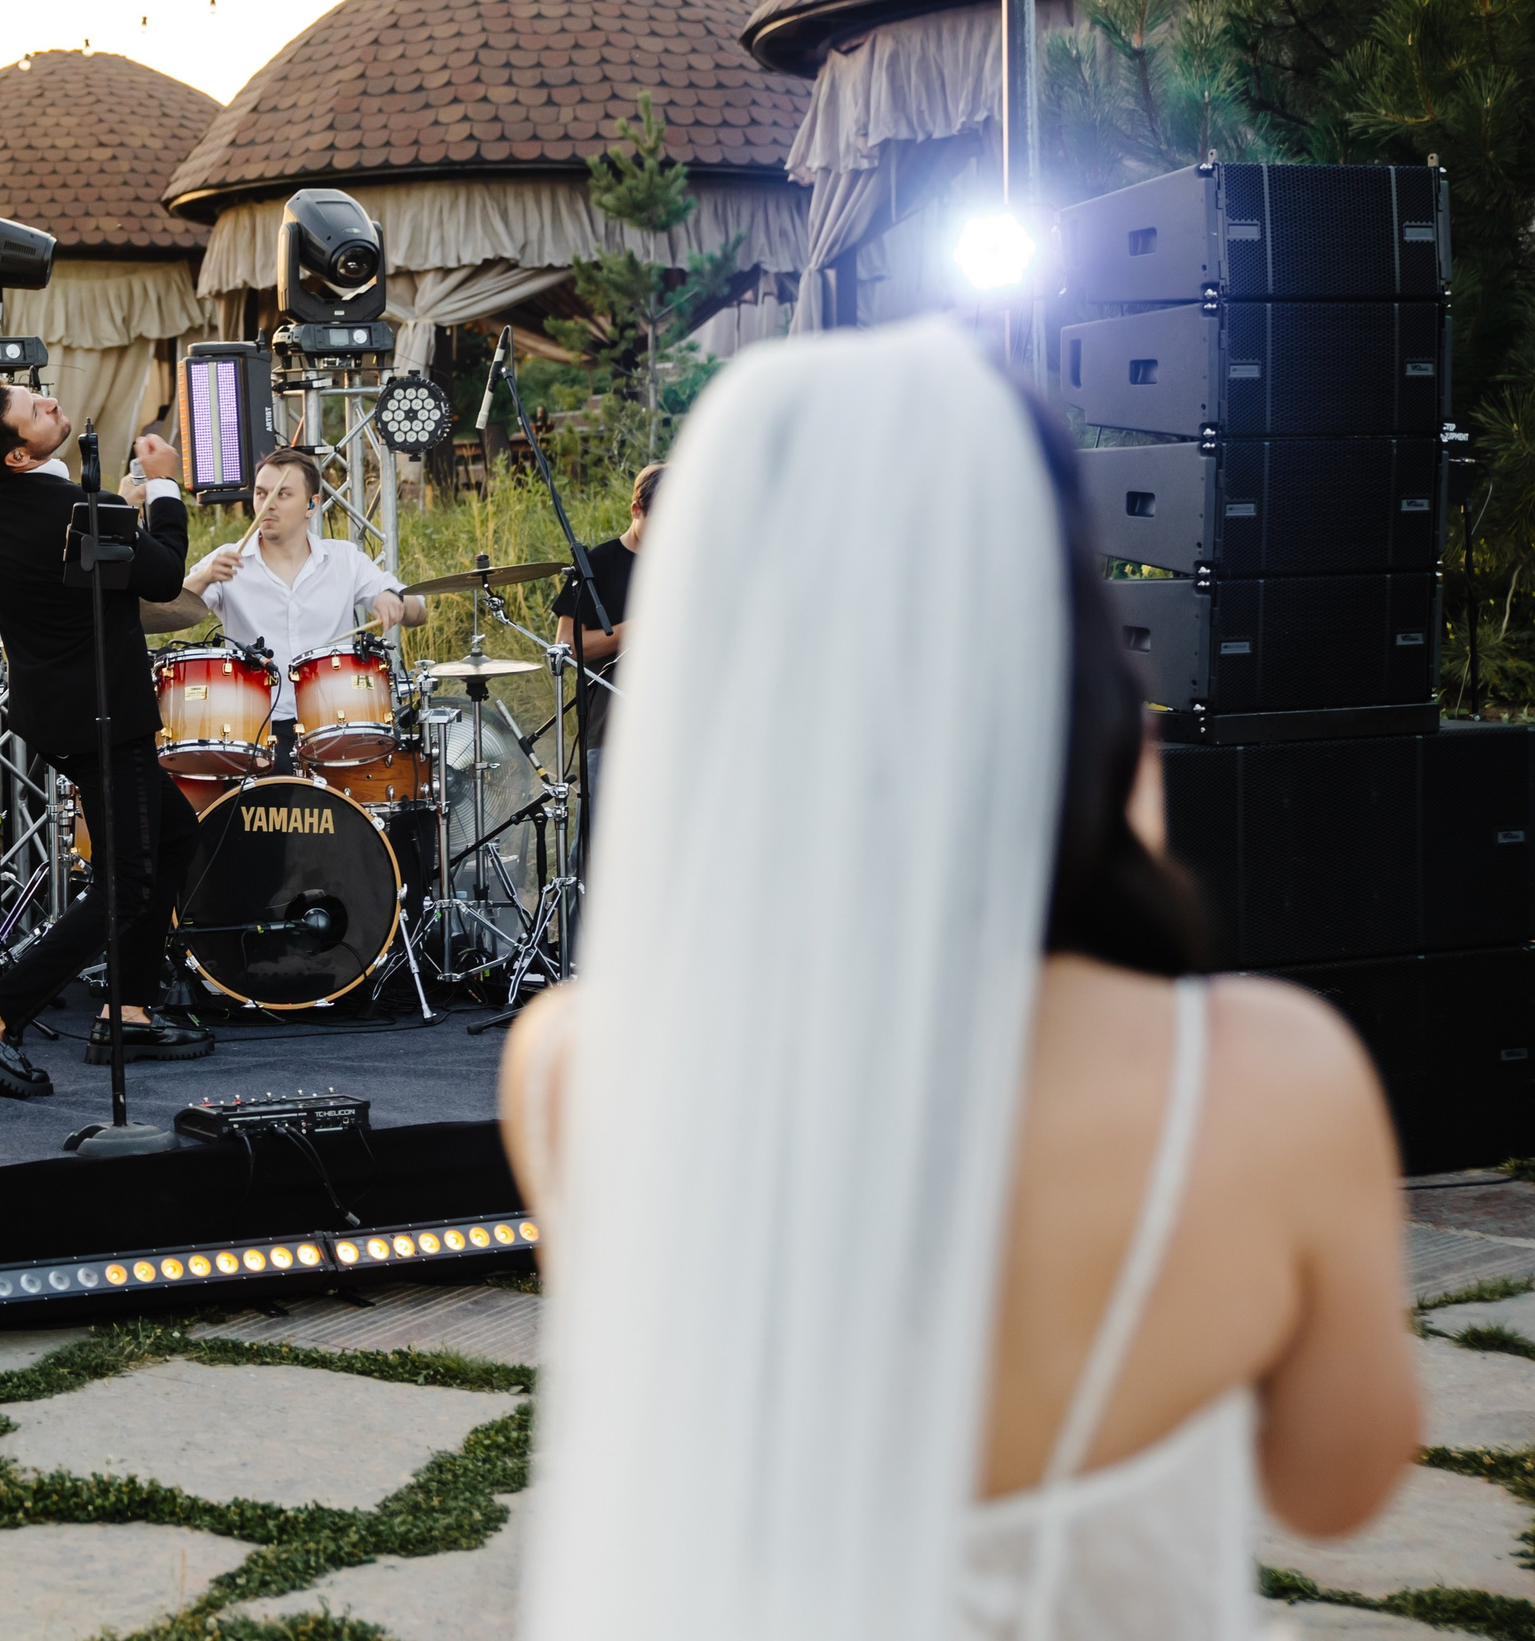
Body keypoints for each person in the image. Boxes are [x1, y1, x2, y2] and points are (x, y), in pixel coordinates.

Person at [502, 319, 1416, 1641]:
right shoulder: (1271, 1081)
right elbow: (1340, 1479)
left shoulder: (570, 1068)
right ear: (1071, 649)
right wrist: (1120, 848)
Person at [0, 380, 208, 1094]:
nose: (50, 401)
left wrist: (118, 511)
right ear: (19, 453)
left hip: (53, 707)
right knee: (127, 886)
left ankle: (129, 1008)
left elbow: (85, 546)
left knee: (173, 835)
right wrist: (165, 486)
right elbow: (164, 574)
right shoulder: (72, 509)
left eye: (37, 393)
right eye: (35, 409)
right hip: (104, 714)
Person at [173, 448, 425, 762]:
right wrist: (206, 577)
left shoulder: (343, 559)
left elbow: (420, 609)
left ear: (311, 505)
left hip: (336, 725)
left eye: (282, 494)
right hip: (258, 730)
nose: (267, 504)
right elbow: (170, 609)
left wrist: (394, 599)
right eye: (261, 493)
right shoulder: (229, 559)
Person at [550, 460, 659, 871]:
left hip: (675, 724)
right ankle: (581, 936)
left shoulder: (685, 562)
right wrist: (638, 628)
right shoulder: (599, 562)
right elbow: (566, 645)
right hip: (609, 725)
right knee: (596, 855)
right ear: (636, 509)